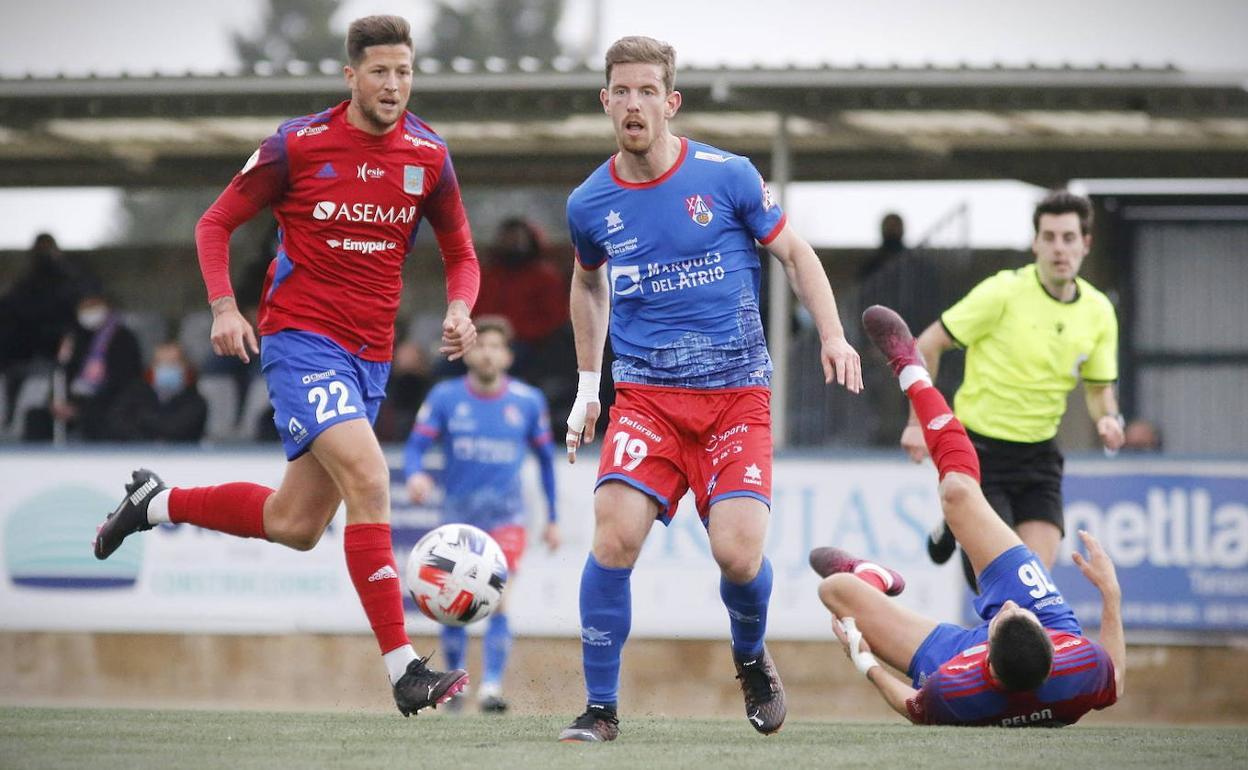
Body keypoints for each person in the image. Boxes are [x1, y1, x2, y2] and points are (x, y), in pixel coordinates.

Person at [91, 15, 481, 718]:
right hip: (301, 343)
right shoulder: (296, 144)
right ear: (351, 76)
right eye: (381, 71)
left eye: (405, 71)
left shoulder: (430, 154)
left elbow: (462, 254)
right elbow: (214, 223)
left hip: (368, 359)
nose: (394, 85)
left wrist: (459, 307)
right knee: (370, 476)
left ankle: (154, 504)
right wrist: (223, 308)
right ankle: (405, 671)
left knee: (295, 524)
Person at [558, 36, 863, 742]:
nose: (632, 104)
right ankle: (600, 710)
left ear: (670, 102)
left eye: (646, 91)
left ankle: (751, 656)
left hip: (734, 397)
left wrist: (832, 334)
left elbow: (794, 252)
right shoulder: (589, 202)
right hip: (646, 402)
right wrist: (586, 386)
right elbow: (586, 281)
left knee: (737, 555)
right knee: (614, 538)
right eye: (620, 91)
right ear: (605, 101)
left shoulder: (726, 176)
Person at [813, 304, 1124, 727]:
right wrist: (1111, 594)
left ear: (988, 667)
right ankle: (912, 369)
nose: (1008, 604)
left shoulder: (957, 689)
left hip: (956, 652)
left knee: (835, 590)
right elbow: (1117, 680)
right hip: (1041, 630)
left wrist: (864, 660)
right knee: (958, 493)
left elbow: (911, 706)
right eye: (1019, 612)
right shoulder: (1079, 666)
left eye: (1003, 616)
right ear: (1052, 648)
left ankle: (871, 574)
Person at [905, 190, 1124, 590]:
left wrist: (1108, 417)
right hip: (978, 450)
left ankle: (955, 525)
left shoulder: (1098, 312)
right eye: (1050, 237)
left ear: (1086, 244)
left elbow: (1098, 388)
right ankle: (960, 519)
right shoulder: (1002, 292)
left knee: (1032, 587)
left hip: (1039, 456)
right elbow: (926, 344)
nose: (1060, 248)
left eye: (1069, 237)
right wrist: (919, 422)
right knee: (995, 580)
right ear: (1036, 243)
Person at [403, 316, 560, 714]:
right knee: (452, 603)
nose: (488, 352)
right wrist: (416, 474)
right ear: (468, 352)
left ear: (507, 356)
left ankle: (490, 687)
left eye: (496, 346)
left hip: (506, 520)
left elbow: (546, 463)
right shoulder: (444, 398)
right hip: (457, 525)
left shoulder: (527, 402)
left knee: (498, 600)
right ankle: (453, 686)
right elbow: (415, 448)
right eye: (481, 345)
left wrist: (554, 518)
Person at [104, 341, 209, 443]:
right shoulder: (135, 393)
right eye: (160, 363)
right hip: (135, 455)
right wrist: (145, 441)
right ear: (152, 366)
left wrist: (142, 418)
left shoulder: (196, 401)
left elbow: (176, 428)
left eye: (173, 363)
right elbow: (116, 422)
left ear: (186, 366)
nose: (166, 367)